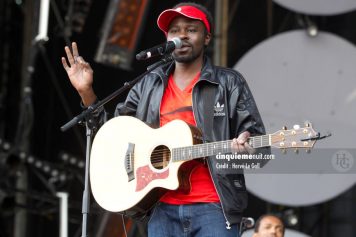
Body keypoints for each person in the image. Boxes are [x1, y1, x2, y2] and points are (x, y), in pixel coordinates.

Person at [62, 2, 268, 237]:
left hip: (215, 209)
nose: (182, 35)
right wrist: (86, 92)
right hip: (161, 209)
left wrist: (246, 150)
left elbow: (262, 151)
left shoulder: (229, 83)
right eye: (175, 31)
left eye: (191, 29)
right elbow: (110, 135)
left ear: (207, 37)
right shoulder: (148, 83)